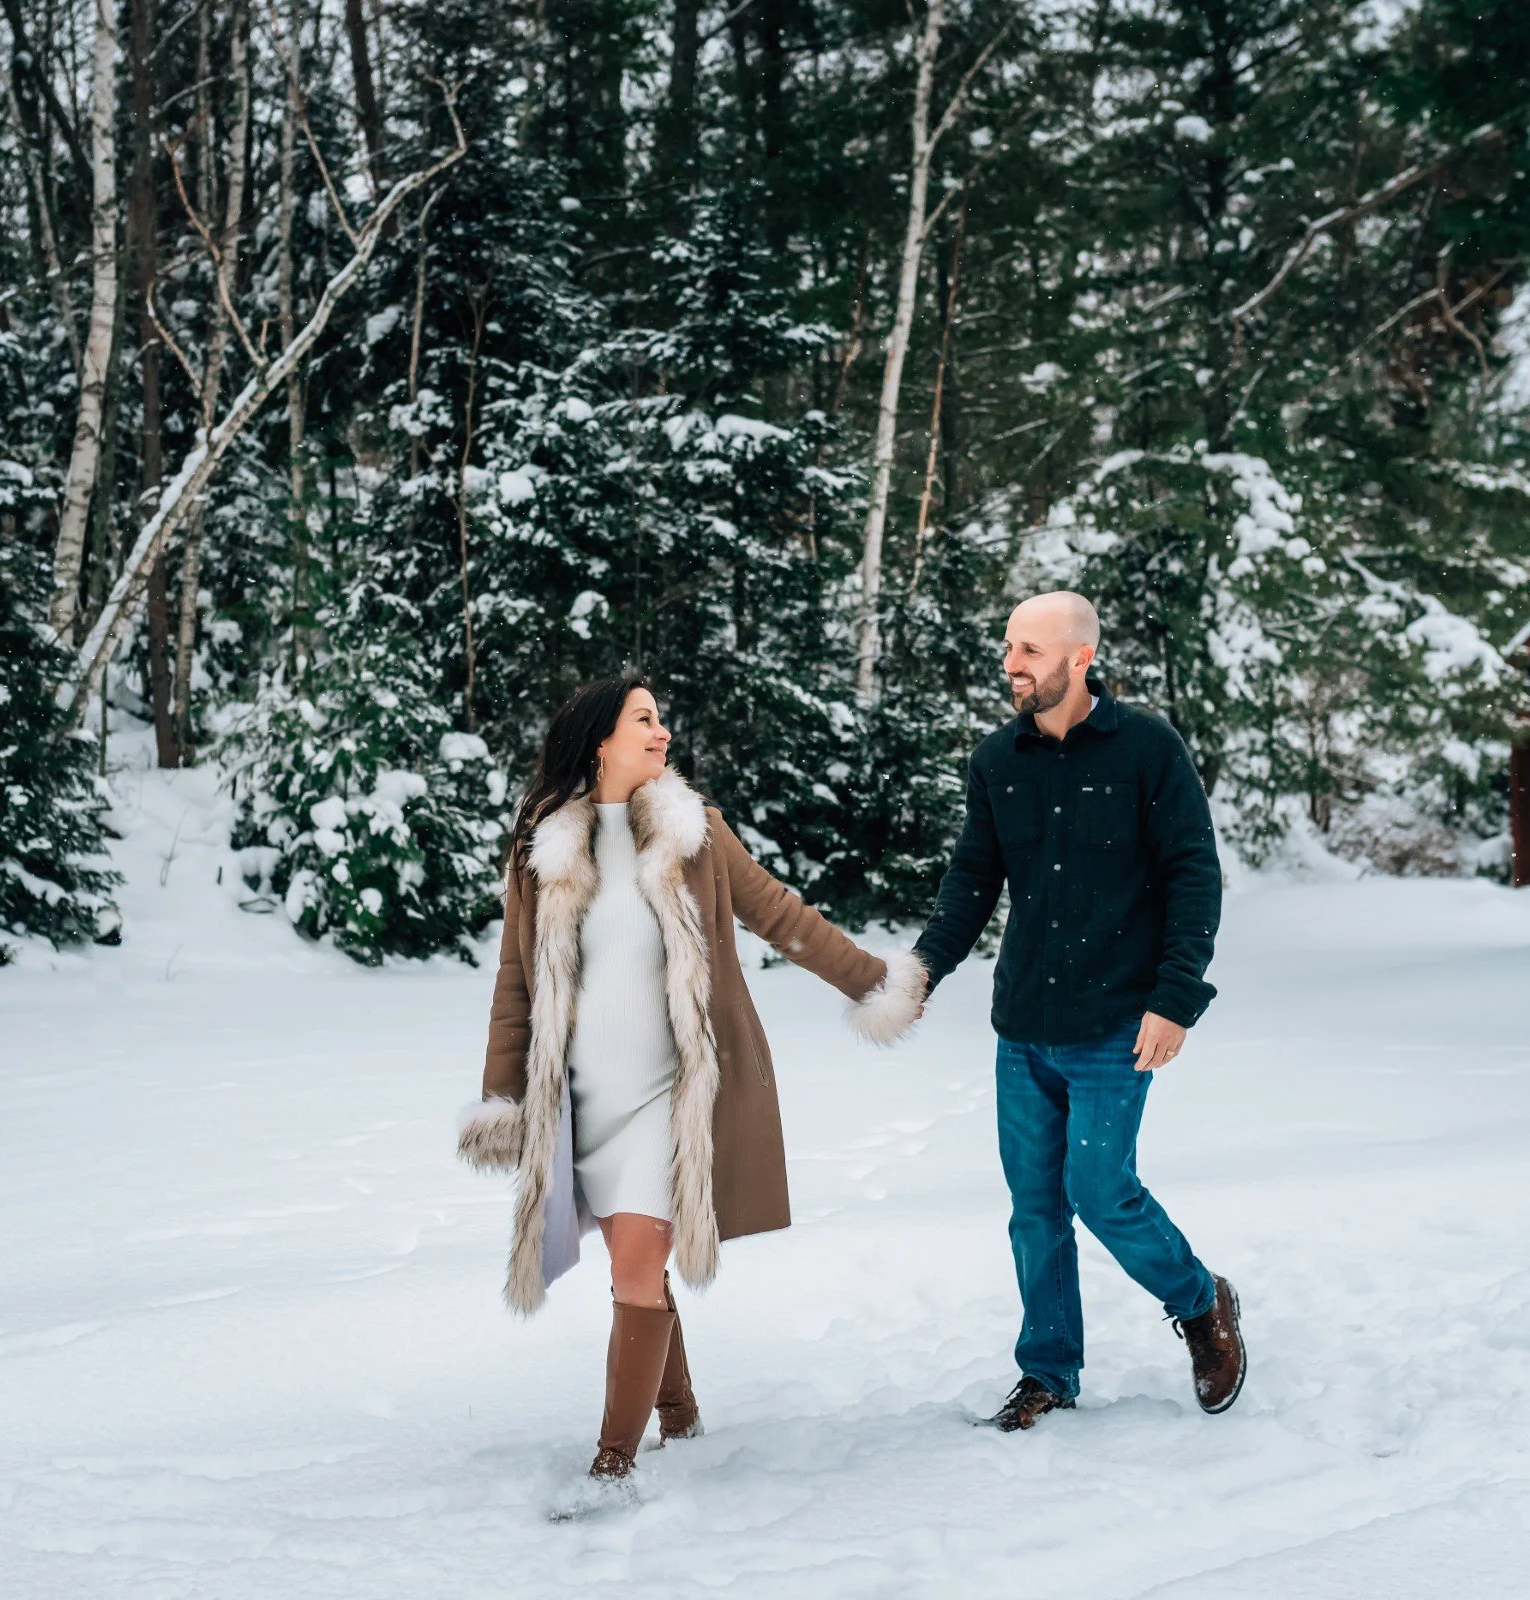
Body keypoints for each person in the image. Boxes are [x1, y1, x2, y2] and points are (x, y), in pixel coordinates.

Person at [457, 676, 928, 1483]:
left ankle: (612, 1464)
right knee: (628, 1270)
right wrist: (503, 1098)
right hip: (582, 1102)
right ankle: (676, 1411)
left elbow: (781, 915)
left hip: (668, 1098)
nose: (662, 732)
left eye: (661, 719)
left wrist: (873, 983)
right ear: (599, 739)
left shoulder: (693, 833)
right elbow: (515, 983)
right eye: (644, 720)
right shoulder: (544, 847)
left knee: (639, 1267)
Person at [909, 591, 1245, 1432]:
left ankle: (1200, 1301)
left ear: (1079, 659)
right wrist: (921, 970)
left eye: (1027, 650)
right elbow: (972, 881)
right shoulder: (997, 762)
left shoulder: (1147, 750)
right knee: (1034, 1209)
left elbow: (1192, 878)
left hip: (1115, 1024)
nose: (1010, 664)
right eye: (1008, 648)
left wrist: (1175, 1000)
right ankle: (1048, 1372)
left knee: (1099, 1189)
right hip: (1023, 1028)